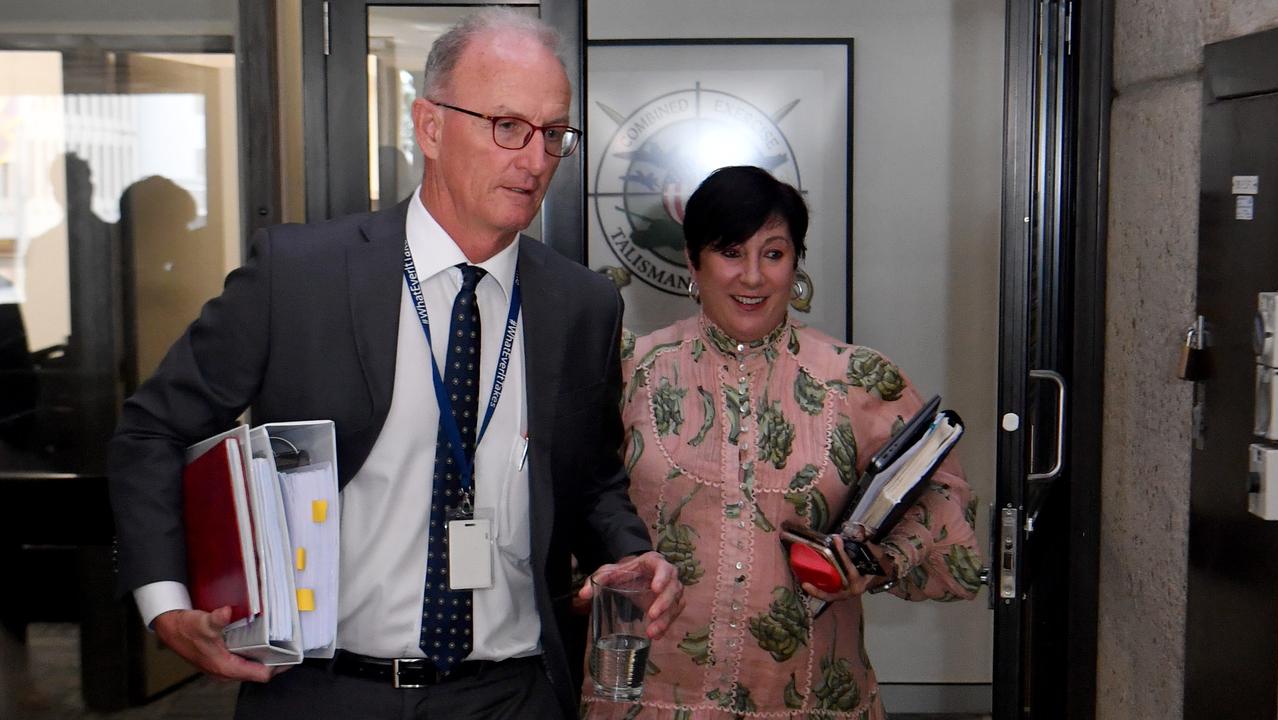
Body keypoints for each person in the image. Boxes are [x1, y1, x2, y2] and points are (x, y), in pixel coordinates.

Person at [107, 9, 682, 719]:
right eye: (507, 126)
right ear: (430, 126)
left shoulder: (581, 303)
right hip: (328, 693)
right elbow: (151, 431)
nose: (535, 161)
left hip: (513, 693)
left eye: (553, 134)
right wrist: (165, 602)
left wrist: (630, 554)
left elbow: (592, 477)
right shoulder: (300, 276)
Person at [583, 166, 982, 720]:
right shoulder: (632, 373)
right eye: (730, 252)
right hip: (649, 695)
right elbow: (577, 500)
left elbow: (945, 502)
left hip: (808, 698)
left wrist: (879, 559)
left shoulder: (857, 382)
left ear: (795, 264)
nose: (752, 277)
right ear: (693, 262)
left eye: (772, 254)